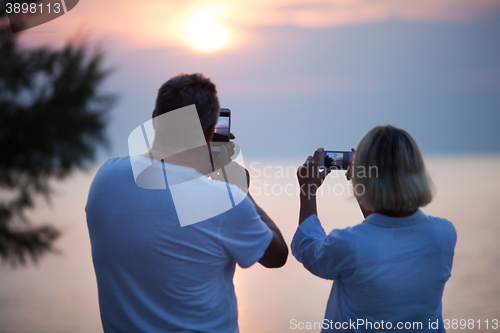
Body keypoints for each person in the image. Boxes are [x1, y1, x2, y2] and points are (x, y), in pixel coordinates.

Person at [86, 73, 288, 332]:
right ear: (211, 131)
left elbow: (166, 189)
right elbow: (277, 255)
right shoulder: (226, 201)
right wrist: (241, 190)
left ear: (154, 119)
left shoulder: (106, 178)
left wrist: (197, 171)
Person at [292, 125, 456, 332]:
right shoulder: (443, 235)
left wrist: (308, 190)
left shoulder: (349, 245)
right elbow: (386, 230)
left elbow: (308, 249)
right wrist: (365, 186)